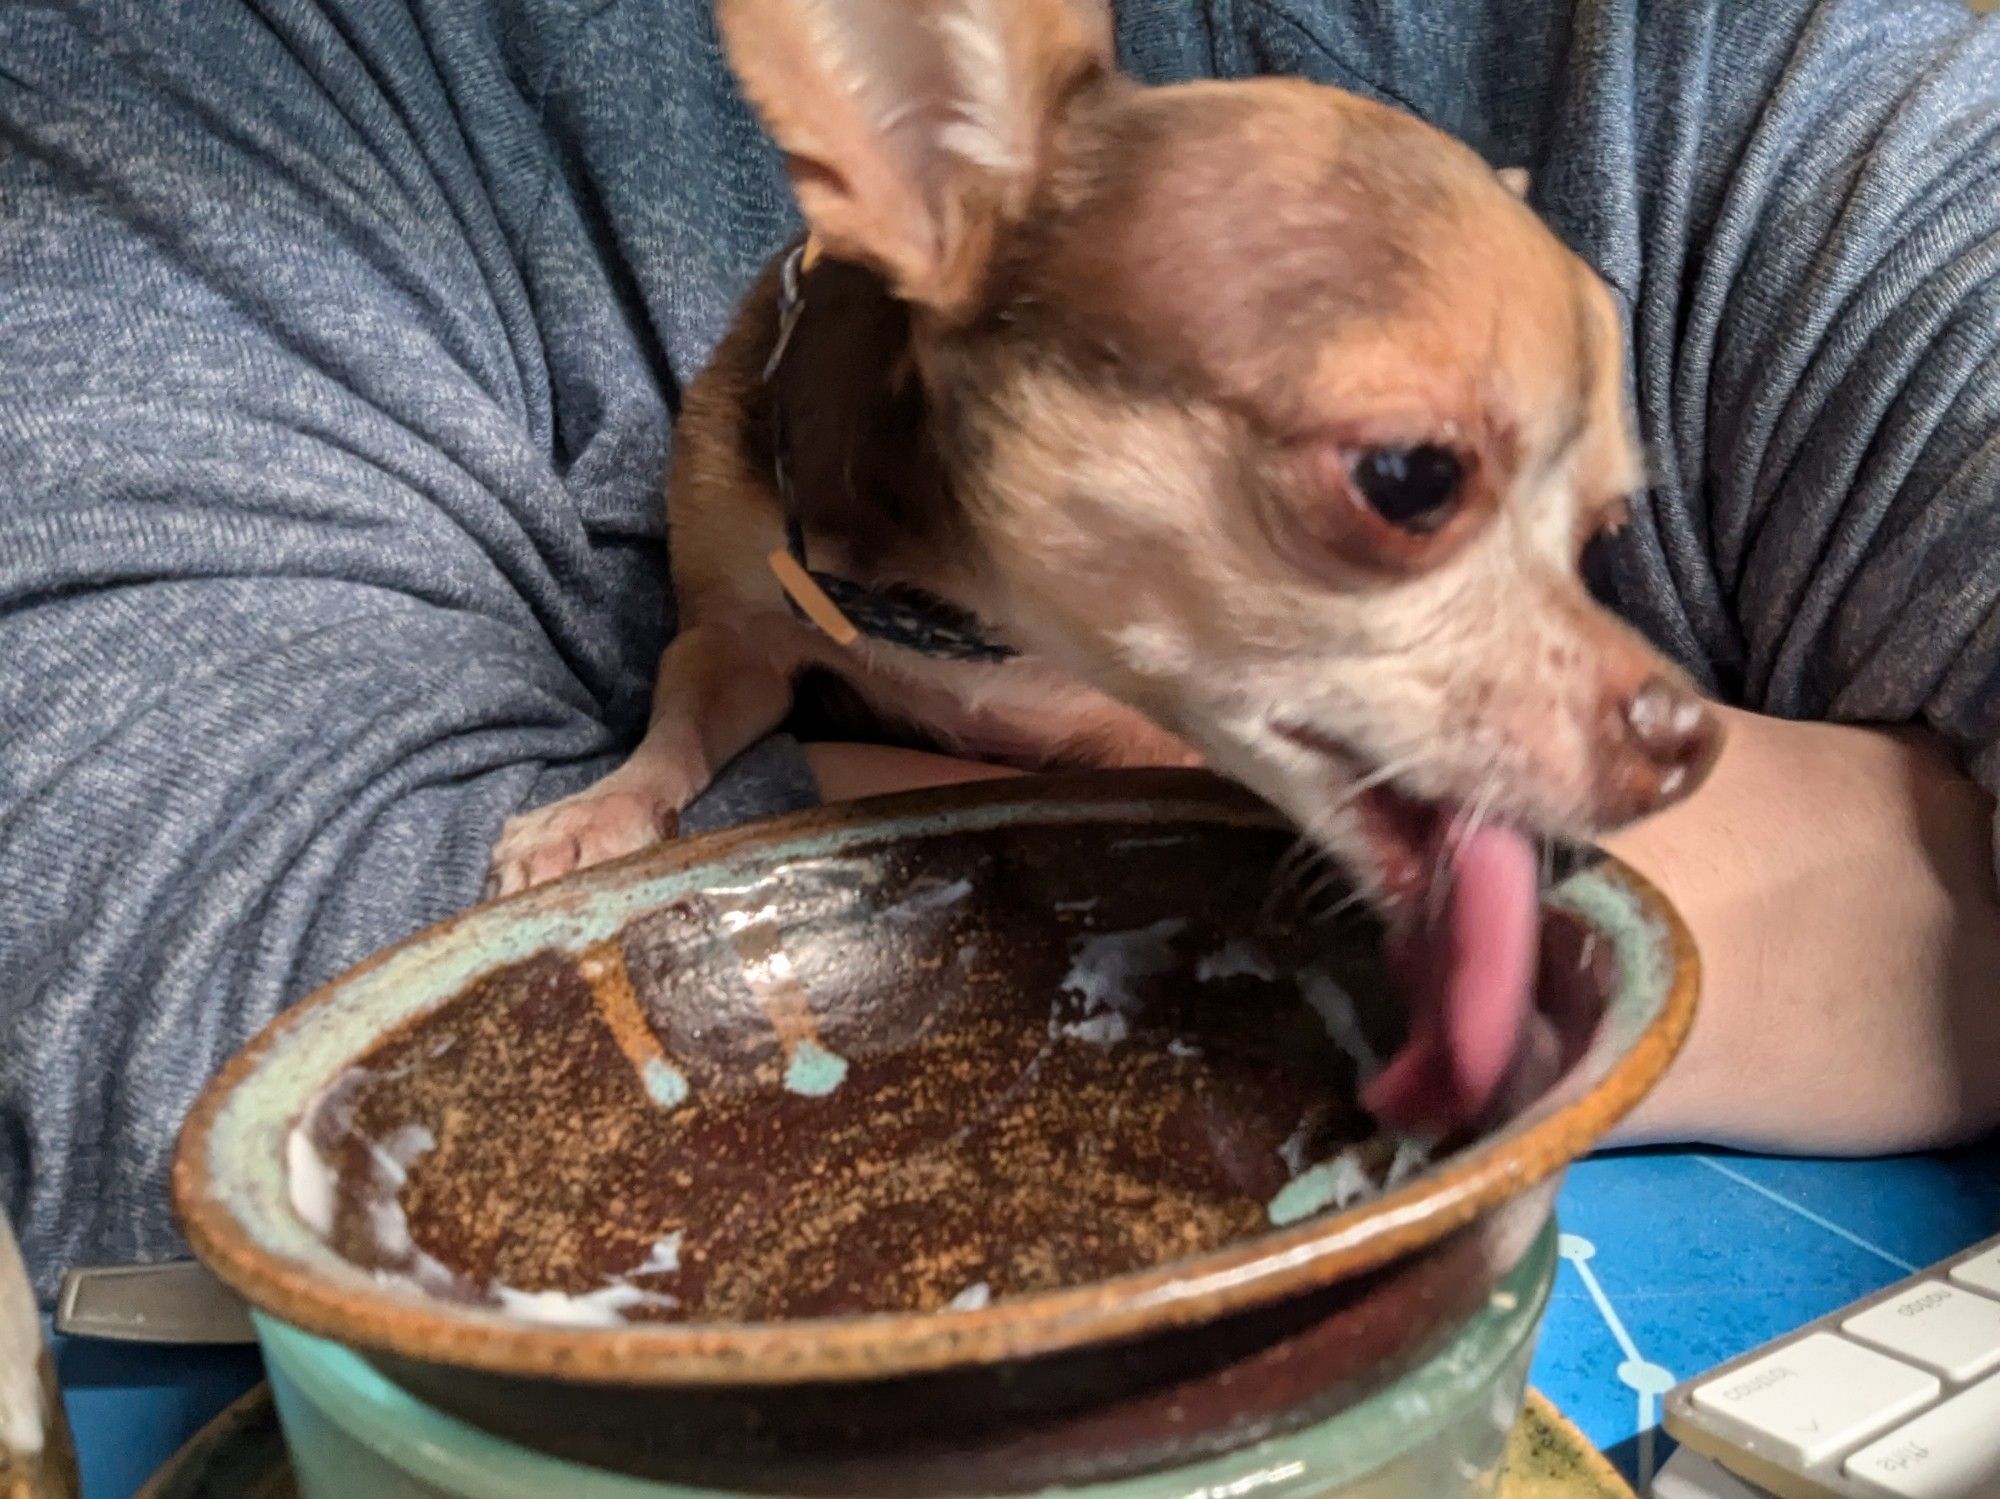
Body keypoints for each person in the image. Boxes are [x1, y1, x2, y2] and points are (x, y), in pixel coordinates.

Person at [3, 0, 1997, 1300]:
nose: (1654, 744)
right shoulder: (221, 74)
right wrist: (1851, 848)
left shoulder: (1753, 63)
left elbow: (442, 977)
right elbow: (195, 1024)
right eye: (1399, 482)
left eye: (1586, 542)